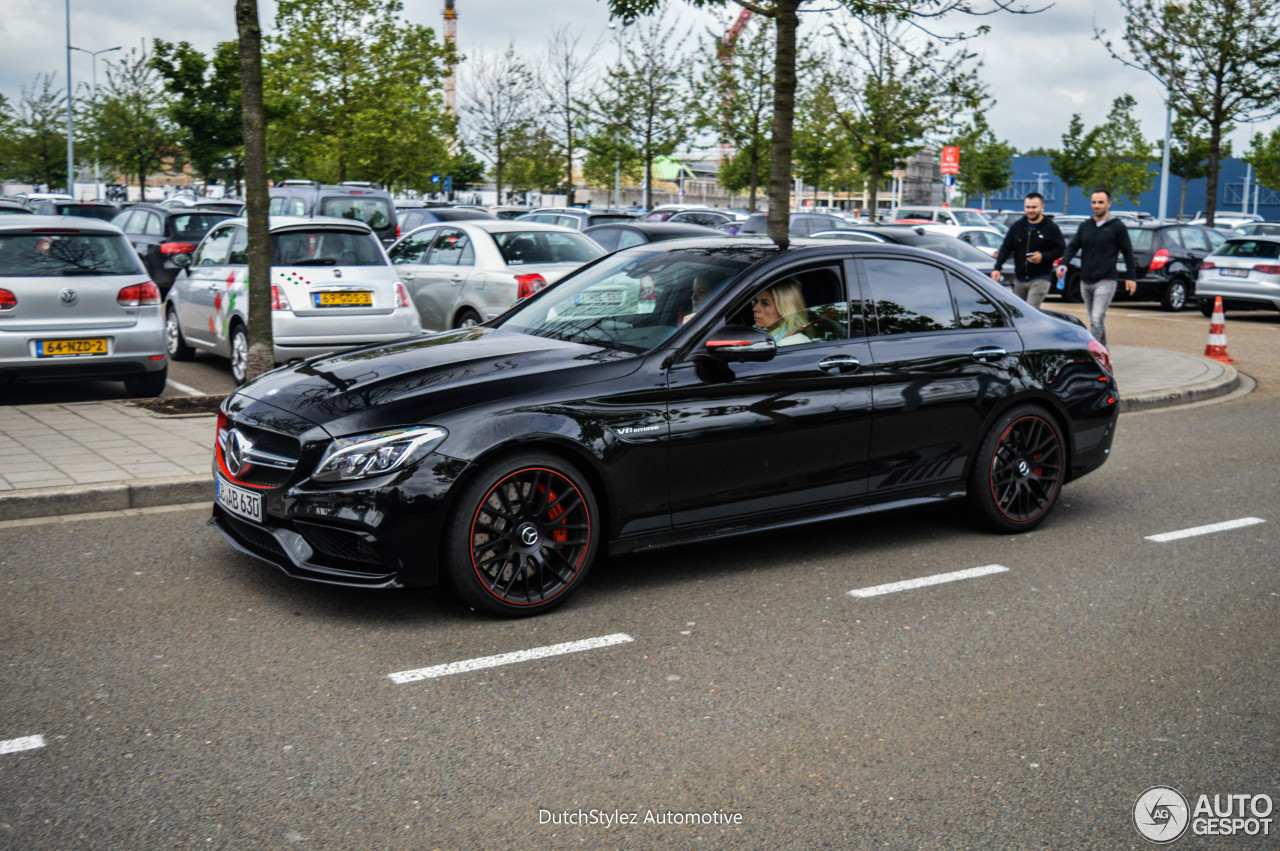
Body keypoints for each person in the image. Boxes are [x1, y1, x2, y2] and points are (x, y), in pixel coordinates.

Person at [1056, 189, 1137, 347]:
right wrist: (1064, 263)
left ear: (1109, 204)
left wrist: (1131, 277)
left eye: (1100, 202)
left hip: (1106, 280)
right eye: (1094, 202)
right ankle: (1103, 351)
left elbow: (1128, 253)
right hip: (1085, 280)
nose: (1097, 205)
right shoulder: (1086, 226)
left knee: (1096, 319)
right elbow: (1073, 246)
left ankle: (1091, 355)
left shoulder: (1117, 227)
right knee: (1095, 319)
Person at [990, 192, 1064, 309]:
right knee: (1019, 313)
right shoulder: (1017, 226)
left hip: (1040, 277)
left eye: (1034, 207)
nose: (1030, 210)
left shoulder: (1051, 227)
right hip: (1019, 278)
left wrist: (1043, 257)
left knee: (1031, 310)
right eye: (1027, 207)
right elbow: (1006, 247)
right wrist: (997, 267)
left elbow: (1060, 249)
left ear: (1042, 207)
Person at [752, 279, 812, 346]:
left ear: (784, 309)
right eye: (755, 301)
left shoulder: (791, 343)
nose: (755, 309)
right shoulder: (770, 338)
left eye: (765, 303)